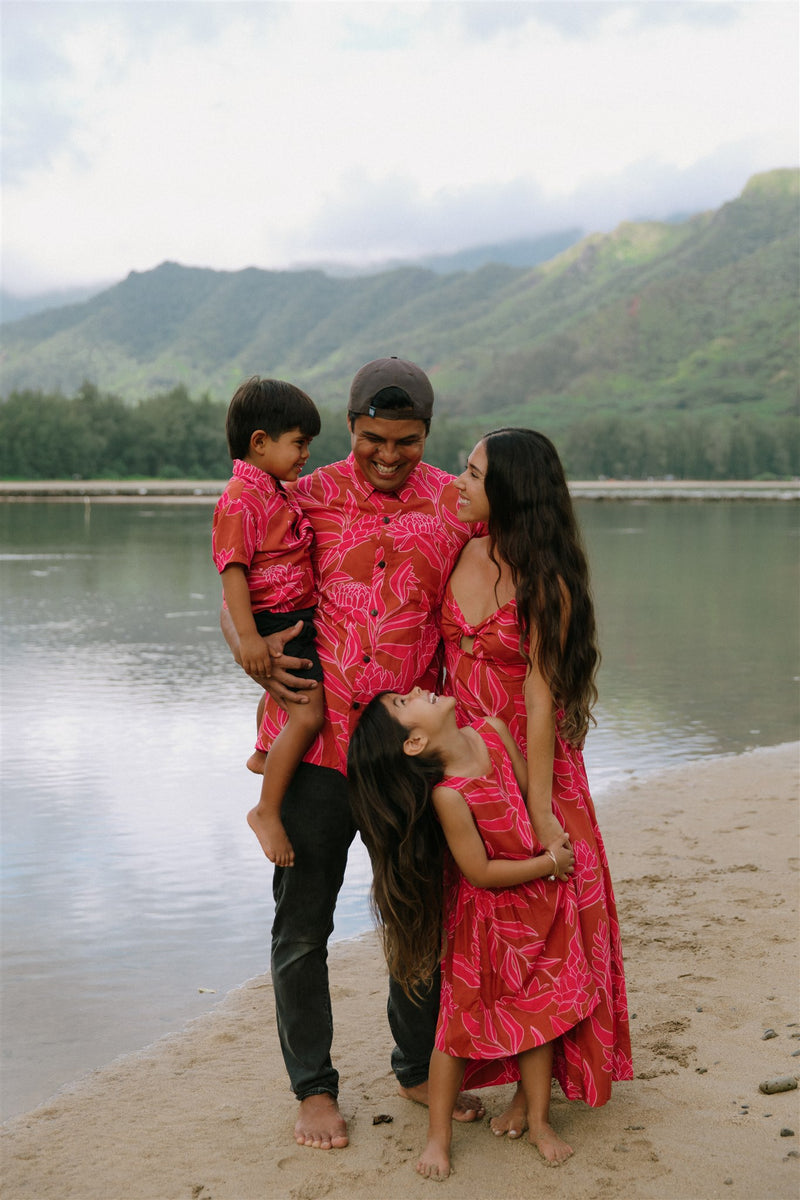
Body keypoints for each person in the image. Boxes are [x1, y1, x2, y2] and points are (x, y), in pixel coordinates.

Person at [220, 357, 480, 1149]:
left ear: (428, 434)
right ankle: (314, 1088)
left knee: (418, 917)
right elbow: (244, 574)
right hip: (320, 749)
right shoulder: (302, 493)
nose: (389, 455)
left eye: (406, 441)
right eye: (373, 439)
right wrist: (245, 646)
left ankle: (412, 1063)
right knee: (302, 927)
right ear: (352, 426)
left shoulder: (457, 504)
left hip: (409, 750)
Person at [440, 426, 633, 1136]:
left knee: (558, 924)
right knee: (486, 922)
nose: (457, 482)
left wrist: (543, 809)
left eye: (472, 471)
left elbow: (543, 699)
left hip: (534, 764)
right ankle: (504, 1067)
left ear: (511, 491)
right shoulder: (459, 545)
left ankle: (538, 1092)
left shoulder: (545, 581)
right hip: (468, 763)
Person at [348, 686, 599, 1179]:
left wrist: (549, 857)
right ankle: (437, 1140)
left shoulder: (493, 731)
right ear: (414, 743)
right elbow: (479, 872)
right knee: (455, 1026)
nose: (416, 690)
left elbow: (531, 804)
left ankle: (540, 1121)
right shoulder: (448, 794)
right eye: (403, 705)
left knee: (538, 1012)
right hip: (486, 923)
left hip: (536, 907)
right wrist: (547, 864)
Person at [212, 377, 325, 867]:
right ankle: (267, 810)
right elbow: (232, 569)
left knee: (276, 693)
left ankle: (263, 752)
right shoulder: (242, 497)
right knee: (307, 713)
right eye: (299, 443)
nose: (305, 455)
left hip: (289, 612)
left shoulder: (272, 490)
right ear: (260, 442)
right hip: (275, 616)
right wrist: (250, 639)